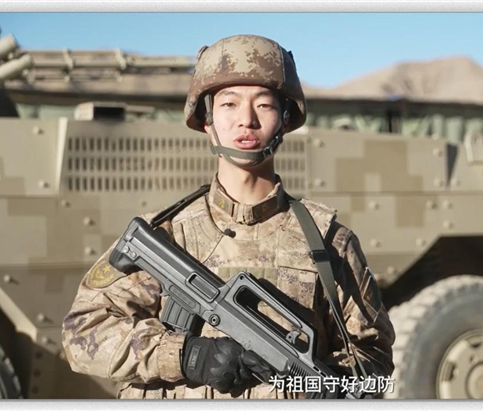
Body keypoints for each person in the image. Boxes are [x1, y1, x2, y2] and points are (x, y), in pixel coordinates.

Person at [61, 34, 395, 400]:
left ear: (285, 119)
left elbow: (373, 358)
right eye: (229, 104)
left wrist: (332, 387)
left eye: (264, 105)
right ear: (207, 119)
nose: (246, 120)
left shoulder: (329, 243)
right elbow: (82, 332)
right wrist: (187, 356)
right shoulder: (166, 235)